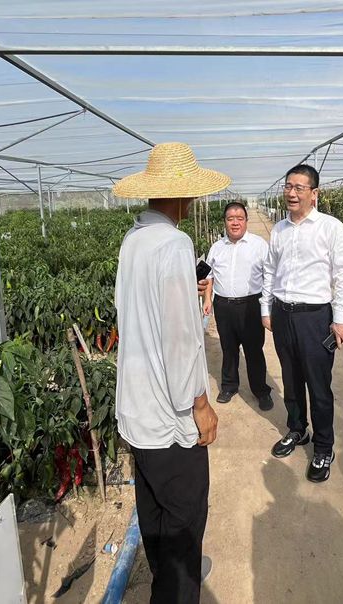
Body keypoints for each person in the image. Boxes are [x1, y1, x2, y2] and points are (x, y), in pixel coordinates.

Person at [113, 142, 229, 603]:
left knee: (155, 514)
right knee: (183, 521)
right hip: (169, 418)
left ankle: (166, 583)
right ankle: (177, 589)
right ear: (184, 196)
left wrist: (189, 291)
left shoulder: (134, 239)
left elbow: (139, 311)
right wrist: (200, 405)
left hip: (136, 409)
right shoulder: (174, 243)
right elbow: (180, 340)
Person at [261, 164, 343, 482]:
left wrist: (340, 318)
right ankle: (297, 429)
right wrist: (266, 308)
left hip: (315, 317)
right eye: (288, 186)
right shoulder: (279, 229)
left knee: (318, 385)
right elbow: (270, 271)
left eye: (299, 187)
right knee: (290, 380)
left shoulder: (330, 228)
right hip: (283, 314)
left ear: (314, 194)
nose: (291, 192)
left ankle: (324, 446)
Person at [202, 201, 273, 410]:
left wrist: (268, 307)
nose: (235, 223)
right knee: (228, 348)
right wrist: (207, 299)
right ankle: (229, 386)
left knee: (254, 350)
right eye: (230, 219)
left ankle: (261, 391)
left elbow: (270, 276)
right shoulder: (217, 248)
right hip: (223, 306)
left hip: (251, 306)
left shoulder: (259, 245)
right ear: (224, 222)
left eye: (239, 218)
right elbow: (209, 276)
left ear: (246, 221)